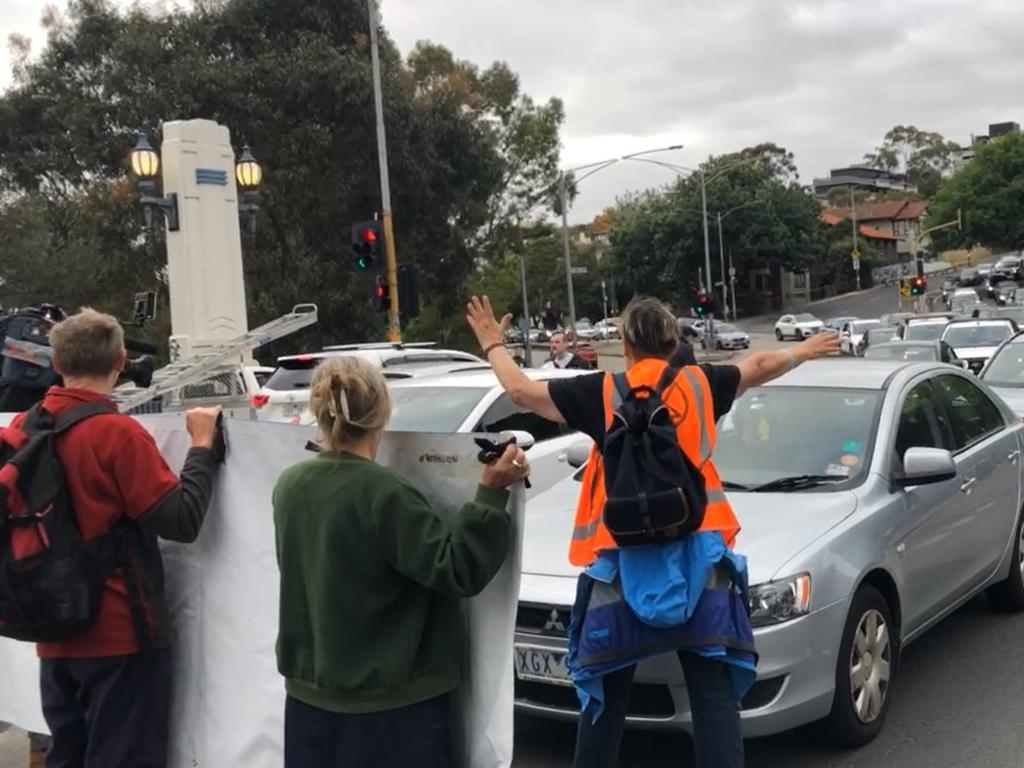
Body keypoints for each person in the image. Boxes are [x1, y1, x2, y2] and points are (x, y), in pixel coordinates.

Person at [466, 295, 839, 768]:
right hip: (701, 559)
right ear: (673, 340)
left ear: (624, 344)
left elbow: (521, 392)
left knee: (605, 693)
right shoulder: (702, 383)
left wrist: (494, 344)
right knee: (712, 694)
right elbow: (758, 365)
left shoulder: (600, 392)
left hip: (620, 566)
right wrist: (802, 351)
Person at [273, 355, 530, 768]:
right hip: (392, 711)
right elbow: (457, 570)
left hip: (308, 703)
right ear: (382, 413)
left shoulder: (289, 486)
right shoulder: (386, 494)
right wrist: (490, 494)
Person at [8, 308, 223, 768]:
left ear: (58, 363)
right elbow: (181, 520)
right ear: (120, 361)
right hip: (120, 637)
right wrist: (202, 447)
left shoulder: (25, 428)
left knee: (69, 755)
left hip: (53, 634)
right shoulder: (116, 434)